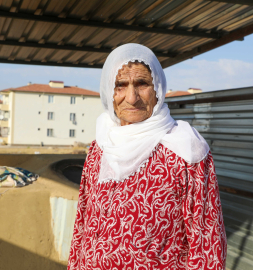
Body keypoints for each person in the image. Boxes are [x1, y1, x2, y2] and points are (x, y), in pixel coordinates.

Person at [67, 43, 227, 270]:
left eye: (142, 84)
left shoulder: (185, 150)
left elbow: (207, 243)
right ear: (108, 92)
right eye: (120, 85)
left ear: (158, 89)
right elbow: (82, 225)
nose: (131, 98)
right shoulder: (99, 147)